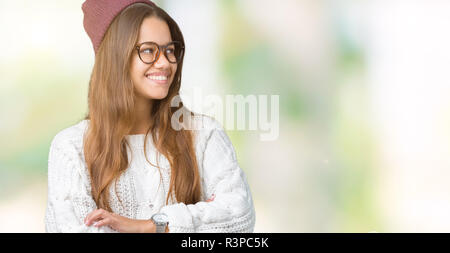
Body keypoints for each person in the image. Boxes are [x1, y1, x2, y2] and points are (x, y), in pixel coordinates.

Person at [44, 0, 255, 233]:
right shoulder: (71, 148)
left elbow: (240, 217)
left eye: (169, 50)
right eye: (148, 51)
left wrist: (152, 226)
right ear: (115, 58)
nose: (165, 62)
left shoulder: (204, 134)